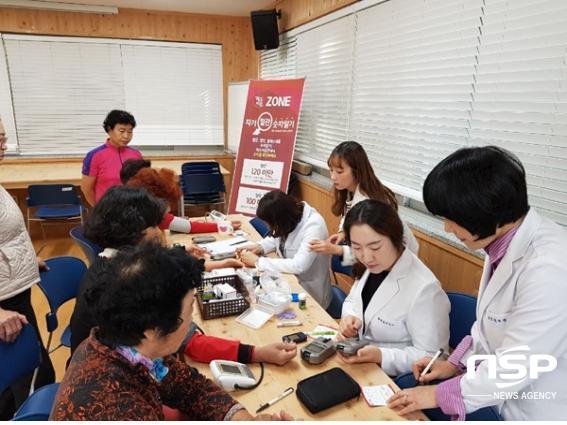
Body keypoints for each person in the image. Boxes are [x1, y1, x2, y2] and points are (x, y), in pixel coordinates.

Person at [387, 146, 567, 420]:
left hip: (534, 407)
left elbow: (515, 364)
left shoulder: (549, 268)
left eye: (452, 218)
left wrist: (437, 395)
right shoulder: (499, 240)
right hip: (495, 393)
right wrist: (454, 364)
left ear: (484, 213)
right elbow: (488, 330)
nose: (447, 228)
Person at [50, 243, 293, 420]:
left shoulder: (125, 345)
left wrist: (243, 419)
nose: (192, 319)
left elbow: (189, 386)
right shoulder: (115, 407)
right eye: (189, 309)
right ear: (152, 329)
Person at [69, 186, 296, 366]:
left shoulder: (111, 265)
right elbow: (189, 342)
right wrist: (255, 352)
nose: (162, 233)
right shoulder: (133, 287)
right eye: (156, 226)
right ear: (135, 232)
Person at [337, 199, 449, 377]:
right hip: (358, 363)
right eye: (356, 247)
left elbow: (434, 357)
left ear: (396, 238)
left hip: (392, 379)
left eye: (375, 247)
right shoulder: (372, 266)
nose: (366, 257)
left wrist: (382, 356)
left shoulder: (425, 289)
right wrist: (350, 319)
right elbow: (352, 301)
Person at [0, 119, 55, 419]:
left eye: (4, 139)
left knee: (21, 383)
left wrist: (26, 258)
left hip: (15, 291)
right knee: (33, 376)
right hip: (4, 308)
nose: (4, 146)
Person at [309, 141, 418, 265]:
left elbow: (374, 251)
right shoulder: (351, 189)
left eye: (339, 172)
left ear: (357, 171)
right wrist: (342, 232)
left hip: (398, 260)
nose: (333, 177)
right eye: (331, 170)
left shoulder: (369, 203)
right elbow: (348, 215)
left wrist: (336, 250)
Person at [238, 190, 332, 310]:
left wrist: (258, 262)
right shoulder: (290, 218)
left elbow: (299, 265)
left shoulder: (314, 226)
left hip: (309, 294)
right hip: (287, 283)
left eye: (270, 224)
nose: (268, 227)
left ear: (281, 220)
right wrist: (260, 247)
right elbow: (279, 236)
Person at [123, 162, 241, 233]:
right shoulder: (134, 227)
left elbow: (189, 226)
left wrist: (222, 225)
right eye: (166, 203)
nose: (169, 209)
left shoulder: (155, 216)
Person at [81, 109, 142, 206]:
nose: (126, 136)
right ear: (109, 129)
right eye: (121, 131)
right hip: (107, 211)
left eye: (130, 131)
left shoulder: (136, 154)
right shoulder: (94, 156)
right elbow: (86, 189)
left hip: (133, 210)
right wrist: (99, 209)